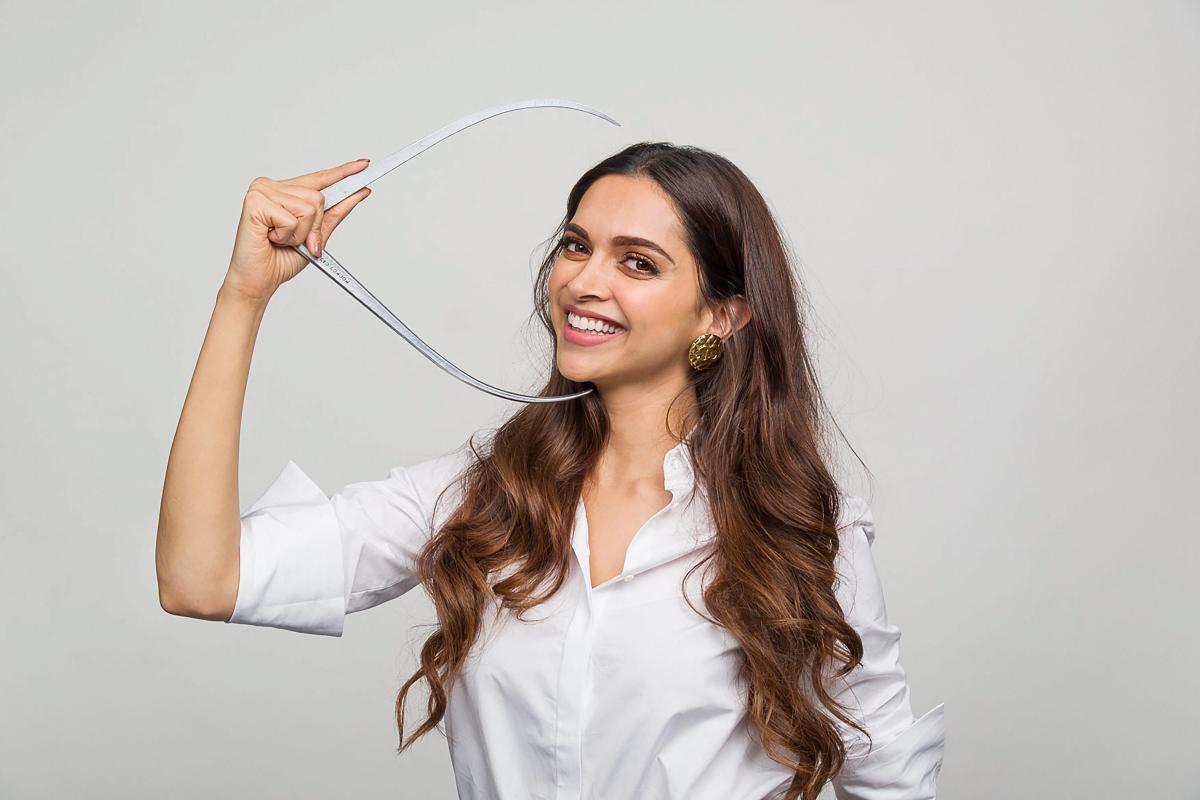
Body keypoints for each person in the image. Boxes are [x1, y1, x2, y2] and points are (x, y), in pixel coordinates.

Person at [156, 143, 945, 800]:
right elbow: (201, 580)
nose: (584, 281)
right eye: (576, 245)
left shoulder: (801, 530)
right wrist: (243, 297)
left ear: (721, 315)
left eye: (637, 262)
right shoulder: (477, 497)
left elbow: (891, 774)